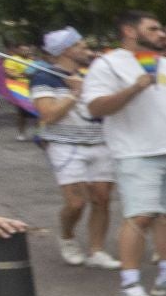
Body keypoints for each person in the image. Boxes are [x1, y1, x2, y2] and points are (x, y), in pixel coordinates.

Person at [81, 11, 166, 296]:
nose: (161, 34)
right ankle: (130, 285)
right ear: (129, 31)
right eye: (154, 28)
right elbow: (95, 107)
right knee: (140, 216)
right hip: (137, 152)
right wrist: (135, 87)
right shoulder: (107, 64)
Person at [29, 28, 117, 269]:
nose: (85, 49)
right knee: (76, 203)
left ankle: (97, 250)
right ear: (66, 50)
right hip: (65, 145)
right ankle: (67, 237)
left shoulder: (92, 75)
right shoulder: (43, 78)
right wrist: (74, 93)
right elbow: (47, 115)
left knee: (102, 198)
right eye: (80, 45)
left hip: (100, 142)